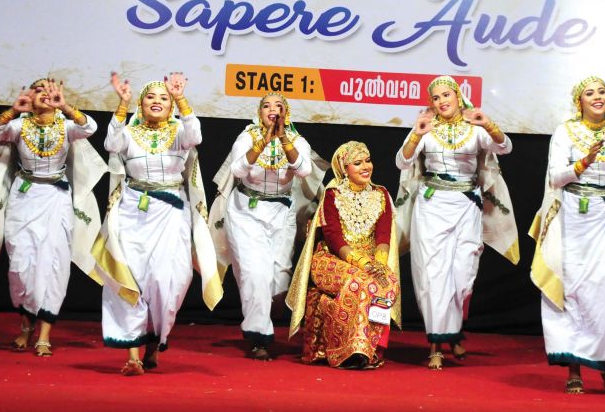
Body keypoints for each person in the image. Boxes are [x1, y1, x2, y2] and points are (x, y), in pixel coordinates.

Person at [90, 72, 221, 376]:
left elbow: (195, 136)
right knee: (130, 278)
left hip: (171, 213)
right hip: (132, 212)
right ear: (141, 103)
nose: (157, 101)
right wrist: (121, 105)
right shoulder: (129, 132)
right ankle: (133, 356)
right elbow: (111, 143)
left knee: (167, 281)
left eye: (164, 97)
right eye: (151, 97)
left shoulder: (178, 131)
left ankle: (153, 343)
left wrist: (181, 98)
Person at [528, 76, 605, 394]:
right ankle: (574, 368)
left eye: (601, 91)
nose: (597, 97)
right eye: (589, 93)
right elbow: (556, 178)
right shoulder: (564, 132)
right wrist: (581, 164)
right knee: (572, 290)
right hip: (571, 216)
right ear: (579, 101)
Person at [395, 75, 519, 370]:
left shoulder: (473, 128)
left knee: (462, 275)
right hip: (432, 203)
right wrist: (416, 133)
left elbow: (505, 148)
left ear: (458, 96)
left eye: (446, 95)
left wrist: (488, 124)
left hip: (466, 205)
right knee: (434, 274)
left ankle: (452, 332)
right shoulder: (426, 127)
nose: (441, 101)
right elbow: (402, 161)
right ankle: (436, 344)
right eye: (435, 98)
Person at [0, 78, 105, 357]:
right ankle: (25, 326)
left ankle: (43, 334)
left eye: (51, 90)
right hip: (24, 198)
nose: (45, 95)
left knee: (53, 263)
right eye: (39, 90)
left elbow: (90, 127)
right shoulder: (19, 125)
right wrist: (13, 110)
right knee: (21, 265)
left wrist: (67, 107)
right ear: (30, 97)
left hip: (56, 199)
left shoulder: (67, 126)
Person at [209, 92, 325, 361]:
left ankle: (262, 319)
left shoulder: (297, 140)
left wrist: (283, 138)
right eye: (266, 106)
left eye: (279, 106)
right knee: (255, 274)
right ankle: (258, 337)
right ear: (259, 112)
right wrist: (262, 142)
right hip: (246, 211)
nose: (272, 110)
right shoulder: (247, 137)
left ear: (287, 112)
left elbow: (305, 170)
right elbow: (237, 171)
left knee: (278, 281)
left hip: (281, 212)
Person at [285, 141, 400, 369]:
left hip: (370, 261)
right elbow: (334, 238)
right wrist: (363, 263)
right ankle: (345, 351)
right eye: (357, 163)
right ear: (343, 168)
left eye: (367, 161)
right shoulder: (333, 194)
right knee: (358, 284)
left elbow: (384, 235)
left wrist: (378, 263)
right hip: (332, 259)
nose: (365, 166)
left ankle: (371, 350)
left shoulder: (381, 194)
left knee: (388, 283)